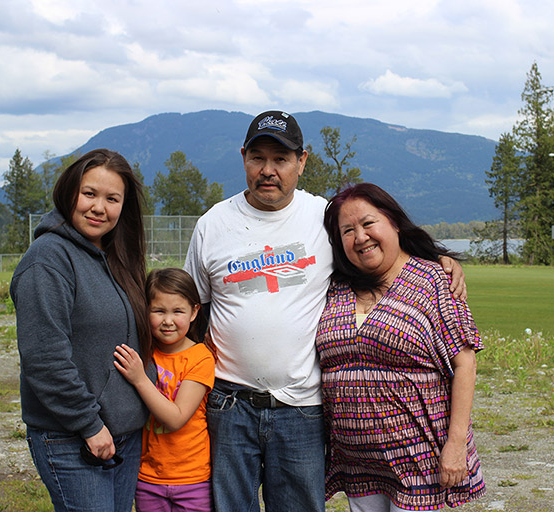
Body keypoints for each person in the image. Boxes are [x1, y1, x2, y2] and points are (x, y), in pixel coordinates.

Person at [184, 111, 467, 512]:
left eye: (281, 159)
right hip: (230, 404)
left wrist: (438, 259)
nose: (268, 170)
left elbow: (373, 245)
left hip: (301, 408)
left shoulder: (325, 218)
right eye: (258, 158)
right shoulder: (212, 225)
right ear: (243, 156)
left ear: (302, 161)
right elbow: (192, 312)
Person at [316, 182, 486, 511]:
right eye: (347, 230)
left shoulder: (434, 280)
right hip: (358, 464)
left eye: (368, 223)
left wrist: (456, 442)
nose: (360, 237)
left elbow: (465, 362)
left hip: (420, 459)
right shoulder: (335, 287)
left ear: (393, 222)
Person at [11, 149, 153, 512]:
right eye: (89, 193)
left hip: (123, 434)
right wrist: (88, 425)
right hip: (72, 437)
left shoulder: (115, 257)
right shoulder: (47, 260)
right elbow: (44, 357)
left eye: (112, 199)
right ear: (69, 191)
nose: (99, 208)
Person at [113, 268, 216, 512]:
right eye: (159, 311)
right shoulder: (144, 353)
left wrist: (140, 379)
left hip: (193, 479)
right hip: (148, 478)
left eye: (177, 311)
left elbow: (176, 418)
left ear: (194, 312)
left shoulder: (200, 358)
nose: (168, 321)